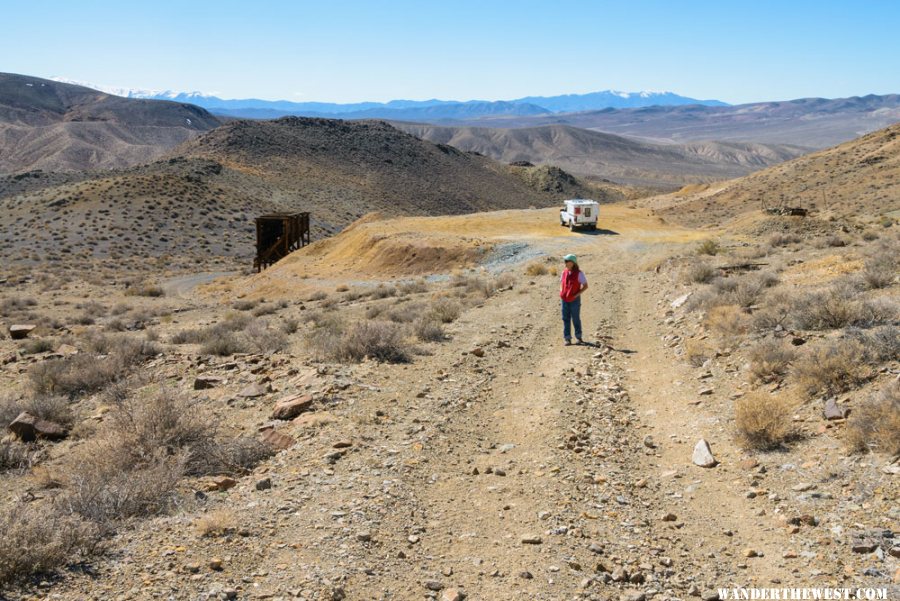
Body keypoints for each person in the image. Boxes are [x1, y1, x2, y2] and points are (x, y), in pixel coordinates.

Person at [559, 253, 588, 345]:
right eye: (565, 261)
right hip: (564, 299)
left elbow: (585, 286)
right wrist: (561, 292)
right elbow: (561, 284)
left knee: (575, 318)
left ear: (573, 263)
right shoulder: (564, 272)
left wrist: (576, 296)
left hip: (574, 300)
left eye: (567, 261)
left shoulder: (579, 273)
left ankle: (579, 337)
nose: (566, 262)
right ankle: (567, 338)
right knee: (565, 318)